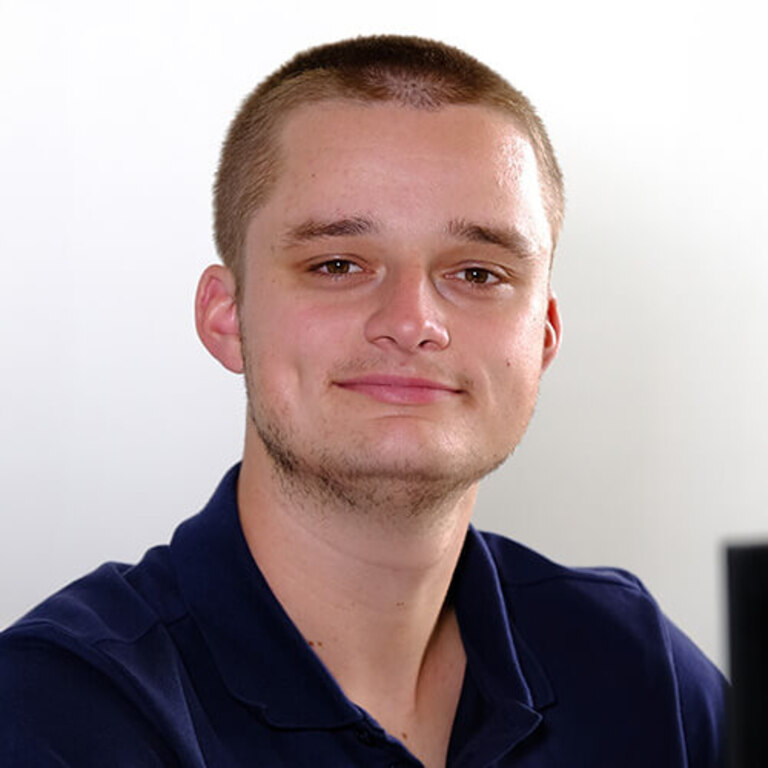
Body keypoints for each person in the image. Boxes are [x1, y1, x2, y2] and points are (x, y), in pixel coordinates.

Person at [0, 35, 725, 767]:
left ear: (543, 335)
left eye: (477, 273)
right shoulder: (53, 711)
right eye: (338, 264)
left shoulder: (639, 674)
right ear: (227, 317)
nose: (412, 322)